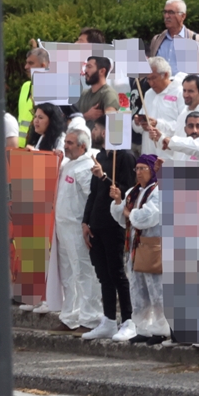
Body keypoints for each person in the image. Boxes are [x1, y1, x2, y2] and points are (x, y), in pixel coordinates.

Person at [81, 120, 137, 341]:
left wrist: (104, 177)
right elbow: (93, 193)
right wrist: (86, 221)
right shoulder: (101, 156)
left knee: (117, 273)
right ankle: (109, 319)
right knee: (103, 275)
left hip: (114, 223)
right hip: (97, 222)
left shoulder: (125, 157)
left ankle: (128, 319)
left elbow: (127, 189)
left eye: (98, 129)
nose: (98, 133)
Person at [44, 129, 101, 329]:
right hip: (62, 228)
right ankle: (71, 317)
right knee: (68, 274)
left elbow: (91, 199)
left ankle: (91, 317)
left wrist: (88, 225)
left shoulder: (86, 167)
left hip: (78, 228)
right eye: (65, 141)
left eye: (70, 143)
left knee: (84, 273)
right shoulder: (68, 164)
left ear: (82, 146)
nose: (65, 145)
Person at [110, 155, 169, 344]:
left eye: (143, 168)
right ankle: (143, 327)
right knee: (138, 289)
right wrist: (119, 202)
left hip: (152, 245)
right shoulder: (133, 192)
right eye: (137, 168)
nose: (139, 172)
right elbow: (123, 220)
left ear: (152, 170)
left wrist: (130, 213)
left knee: (156, 289)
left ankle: (162, 329)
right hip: (135, 246)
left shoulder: (158, 191)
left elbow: (149, 216)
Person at [134, 57, 184, 162]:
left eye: (154, 78)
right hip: (148, 155)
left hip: (168, 156)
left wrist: (158, 124)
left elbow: (183, 127)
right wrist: (138, 123)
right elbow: (139, 127)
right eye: (148, 79)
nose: (151, 83)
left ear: (165, 74)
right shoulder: (148, 94)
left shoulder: (180, 93)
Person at [149, 0, 199, 79]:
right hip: (160, 90)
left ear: (183, 16)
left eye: (171, 12)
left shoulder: (194, 40)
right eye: (165, 12)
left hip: (183, 90)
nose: (166, 16)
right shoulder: (157, 40)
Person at [16, 47, 50, 147]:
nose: (26, 67)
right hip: (20, 147)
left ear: (43, 66)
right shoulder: (26, 86)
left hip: (37, 146)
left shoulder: (51, 89)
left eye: (31, 63)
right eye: (26, 63)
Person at [74, 56, 119, 122]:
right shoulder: (83, 94)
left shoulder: (109, 94)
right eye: (86, 67)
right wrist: (86, 116)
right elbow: (70, 120)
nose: (86, 70)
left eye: (89, 67)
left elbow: (112, 124)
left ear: (102, 71)